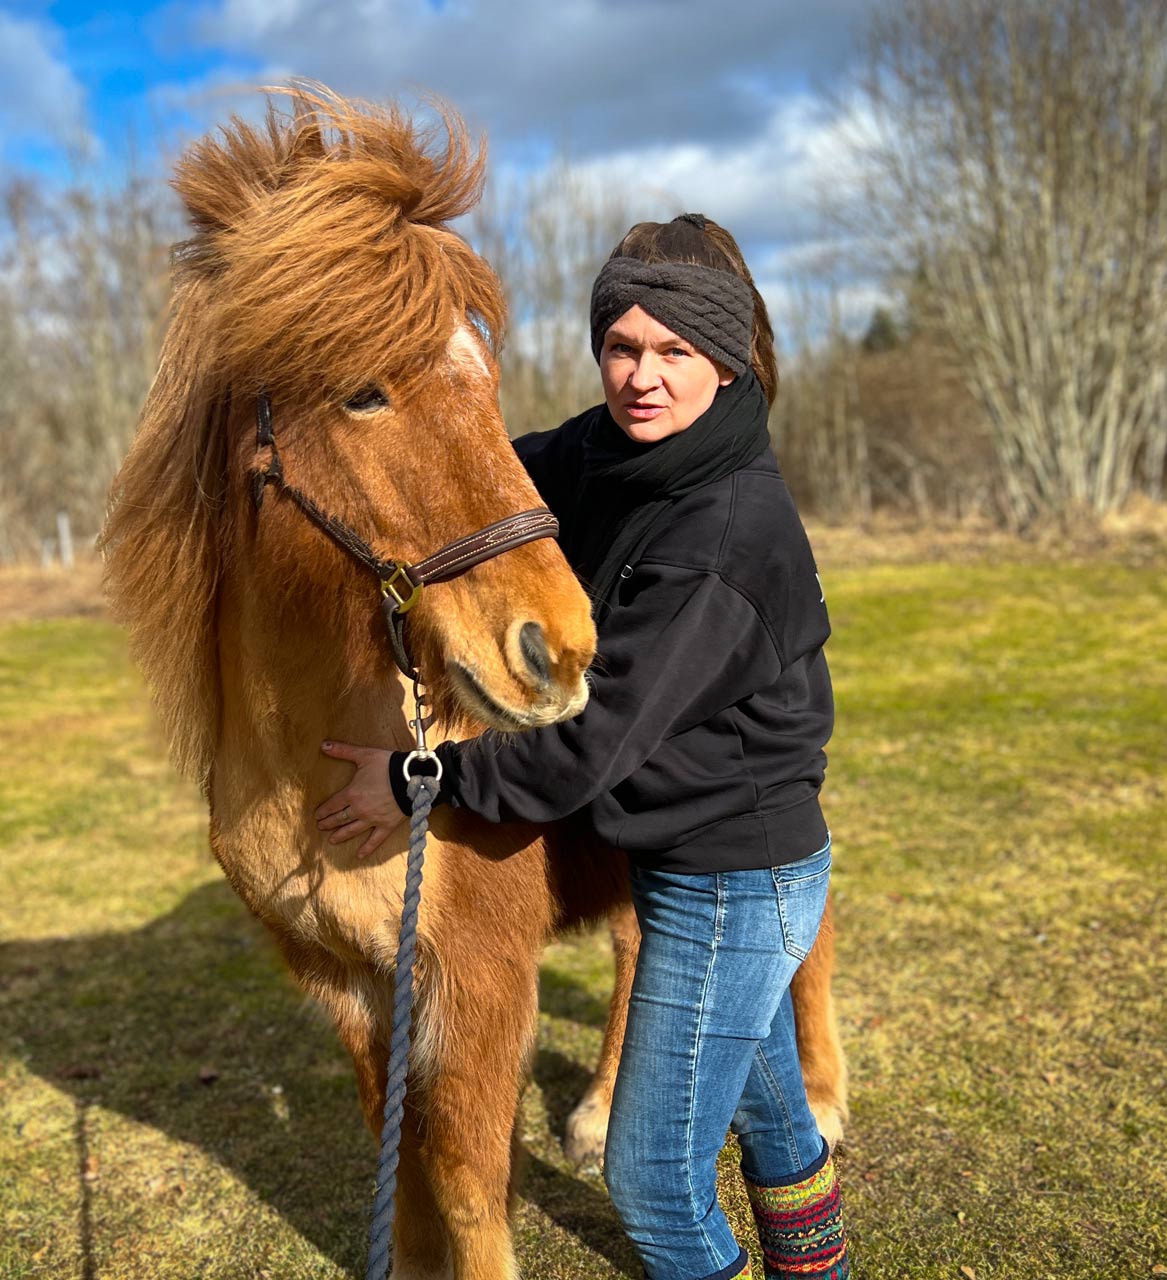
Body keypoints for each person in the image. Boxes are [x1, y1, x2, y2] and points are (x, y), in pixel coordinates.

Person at [314, 213, 847, 1280]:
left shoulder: (726, 540)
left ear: (730, 359)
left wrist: (417, 772)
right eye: (622, 346)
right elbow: (481, 470)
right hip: (694, 852)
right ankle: (817, 1266)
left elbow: (578, 750)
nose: (641, 377)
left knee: (651, 1176)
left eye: (674, 352)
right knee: (772, 1101)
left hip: (734, 877)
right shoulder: (619, 450)